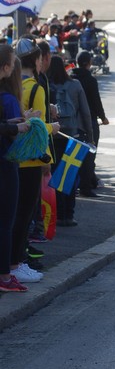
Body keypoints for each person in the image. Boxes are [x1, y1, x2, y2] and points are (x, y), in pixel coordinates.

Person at [11, 38, 59, 283]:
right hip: (30, 160)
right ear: (37, 60)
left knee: (14, 214)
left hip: (12, 157)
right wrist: (55, 127)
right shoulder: (36, 88)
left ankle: (14, 261)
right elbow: (39, 129)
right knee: (25, 215)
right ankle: (16, 262)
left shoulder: (14, 85)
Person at [47, 55, 93, 225]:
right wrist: (90, 136)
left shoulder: (47, 85)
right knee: (70, 175)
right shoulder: (75, 85)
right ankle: (69, 214)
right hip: (72, 135)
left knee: (54, 174)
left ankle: (57, 214)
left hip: (53, 135)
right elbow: (85, 112)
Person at [0, 45, 31, 292]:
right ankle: (5, 275)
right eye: (11, 63)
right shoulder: (6, 95)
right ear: (6, 67)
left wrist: (10, 123)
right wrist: (16, 128)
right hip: (4, 161)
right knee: (6, 220)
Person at [72, 51, 109, 197]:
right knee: (89, 154)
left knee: (73, 155)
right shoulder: (90, 80)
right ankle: (86, 186)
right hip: (88, 120)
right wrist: (103, 117)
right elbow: (96, 101)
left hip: (72, 121)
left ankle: (76, 184)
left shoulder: (70, 77)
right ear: (89, 63)